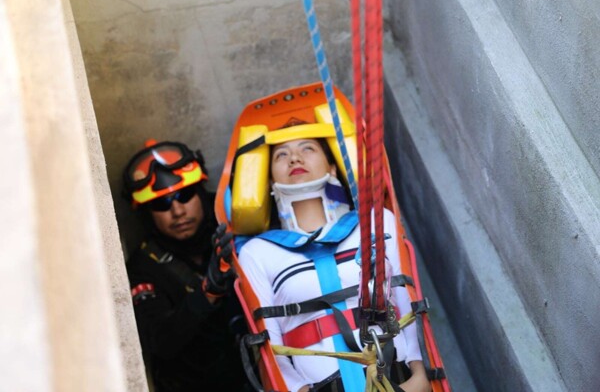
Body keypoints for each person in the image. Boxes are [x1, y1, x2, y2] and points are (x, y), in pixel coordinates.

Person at [237, 129, 431, 392]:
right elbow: (269, 345)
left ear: (333, 168)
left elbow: (407, 304)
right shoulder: (257, 252)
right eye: (281, 155)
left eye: (308, 148)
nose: (294, 158)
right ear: (270, 181)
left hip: (400, 380)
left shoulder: (376, 222)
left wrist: (420, 378)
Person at [122, 139, 248, 391]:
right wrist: (207, 293)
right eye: (162, 204)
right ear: (147, 213)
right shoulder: (142, 266)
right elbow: (161, 341)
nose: (177, 211)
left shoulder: (234, 221)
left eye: (184, 195)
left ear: (200, 192)